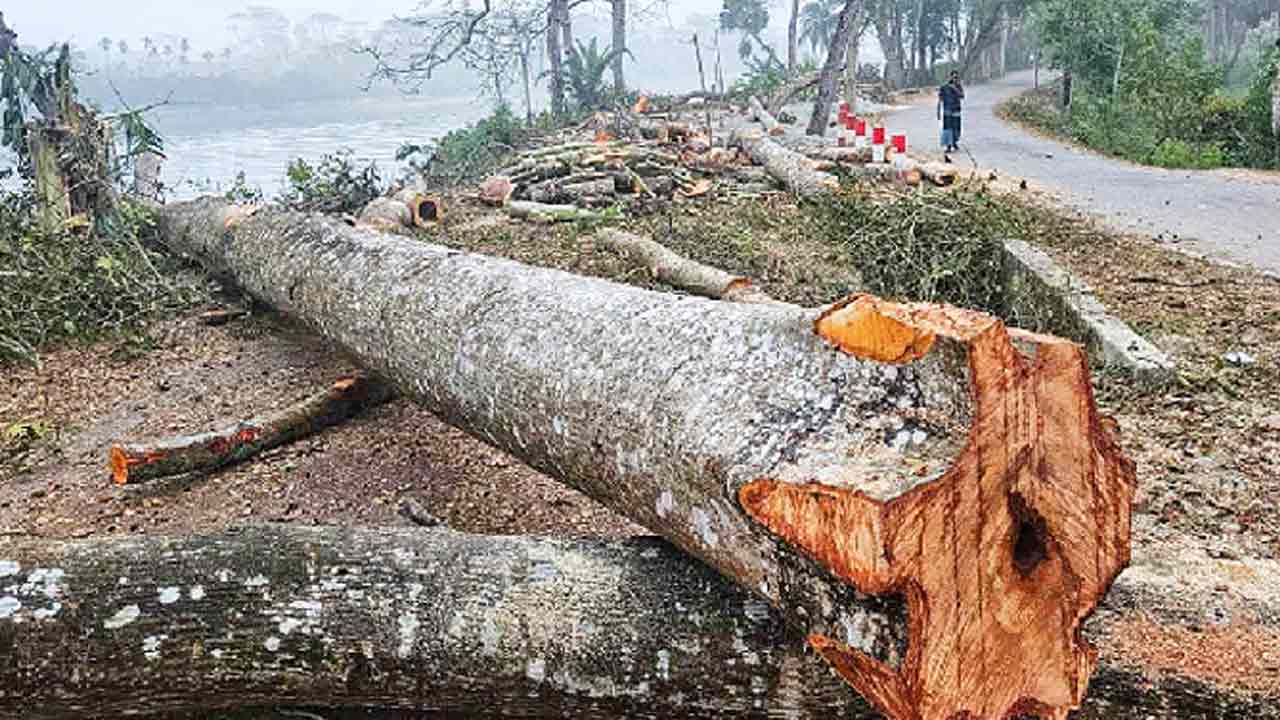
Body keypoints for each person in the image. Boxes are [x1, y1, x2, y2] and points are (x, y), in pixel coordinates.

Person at [938, 71, 965, 153]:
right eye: (953, 77)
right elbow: (940, 99)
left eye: (956, 77)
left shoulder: (958, 86)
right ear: (950, 77)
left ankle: (954, 142)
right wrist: (938, 111)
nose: (955, 79)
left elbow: (962, 96)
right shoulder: (944, 87)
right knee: (948, 128)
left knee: (956, 128)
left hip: (956, 109)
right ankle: (948, 146)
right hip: (947, 110)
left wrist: (955, 89)